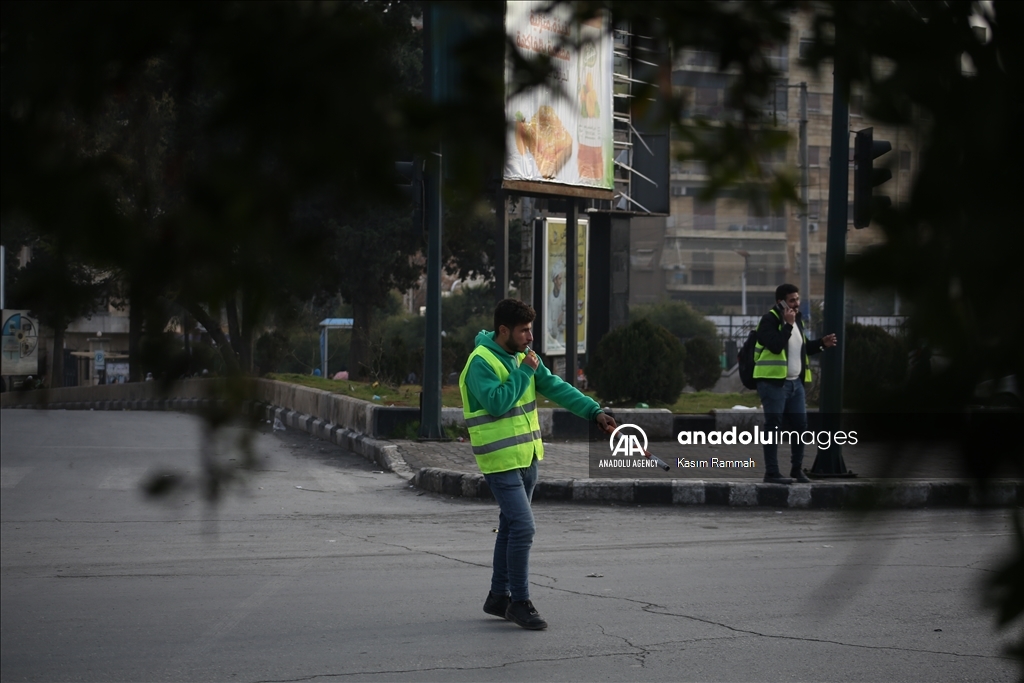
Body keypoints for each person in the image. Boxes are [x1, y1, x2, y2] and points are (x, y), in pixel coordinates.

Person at [460, 299, 615, 630]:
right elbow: (498, 403)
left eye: (531, 330)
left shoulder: (522, 357)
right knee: (524, 528)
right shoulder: (480, 362)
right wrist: (525, 370)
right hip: (499, 461)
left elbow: (556, 388)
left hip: (527, 458)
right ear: (504, 331)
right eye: (524, 330)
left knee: (511, 527)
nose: (530, 337)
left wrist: (594, 412)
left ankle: (497, 597)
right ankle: (519, 601)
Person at [754, 284, 837, 484]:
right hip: (773, 384)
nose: (797, 304)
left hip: (795, 385)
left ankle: (796, 470)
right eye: (792, 300)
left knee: (800, 426)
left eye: (797, 299)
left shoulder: (796, 320)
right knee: (772, 427)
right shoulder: (768, 321)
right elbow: (775, 346)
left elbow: (802, 348)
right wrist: (788, 325)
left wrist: (820, 344)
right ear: (780, 302)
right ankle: (772, 473)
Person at [547, 259, 566, 349]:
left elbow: (564, 319)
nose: (561, 282)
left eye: (562, 278)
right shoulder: (549, 298)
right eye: (559, 278)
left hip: (560, 339)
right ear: (554, 280)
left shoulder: (563, 298)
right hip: (551, 340)